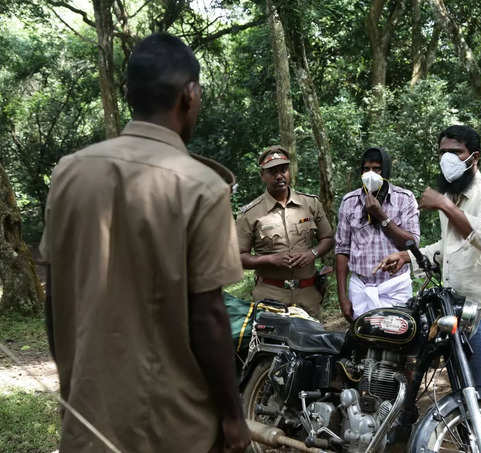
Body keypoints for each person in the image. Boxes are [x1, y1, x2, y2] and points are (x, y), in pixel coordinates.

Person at [39, 33, 250, 453]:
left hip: (87, 420)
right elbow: (208, 316)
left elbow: (54, 296)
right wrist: (232, 417)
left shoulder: (68, 174)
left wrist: (69, 386)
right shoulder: (202, 187)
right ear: (189, 96)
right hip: (171, 427)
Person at [376, 125, 481, 441]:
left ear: (474, 157)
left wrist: (444, 205)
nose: (447, 159)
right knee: (466, 399)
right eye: (442, 153)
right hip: (457, 317)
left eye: (455, 153)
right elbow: (450, 247)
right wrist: (408, 258)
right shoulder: (452, 198)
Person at [236, 146, 334, 319]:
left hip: (308, 293)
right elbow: (238, 257)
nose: (280, 175)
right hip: (271, 295)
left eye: (284, 170)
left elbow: (327, 238)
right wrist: (269, 260)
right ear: (262, 176)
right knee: (272, 345)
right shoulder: (249, 214)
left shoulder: (311, 204)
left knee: (312, 344)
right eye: (273, 172)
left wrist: (312, 253)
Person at [335, 147, 420, 322]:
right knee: (362, 343)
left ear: (386, 171)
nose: (371, 174)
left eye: (377, 169)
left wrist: (381, 215)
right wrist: (343, 297)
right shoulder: (350, 202)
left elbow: (412, 243)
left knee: (398, 342)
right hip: (361, 288)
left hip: (395, 289)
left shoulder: (405, 199)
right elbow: (342, 251)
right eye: (366, 169)